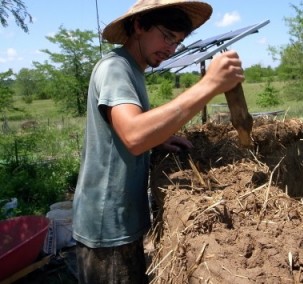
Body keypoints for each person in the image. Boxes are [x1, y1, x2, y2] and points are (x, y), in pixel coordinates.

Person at [72, 0, 245, 283]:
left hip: (121, 220)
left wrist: (158, 140)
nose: (170, 48)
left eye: (177, 42)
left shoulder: (133, 70)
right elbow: (134, 135)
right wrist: (208, 86)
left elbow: (127, 131)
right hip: (107, 227)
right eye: (166, 36)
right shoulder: (115, 68)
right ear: (139, 26)